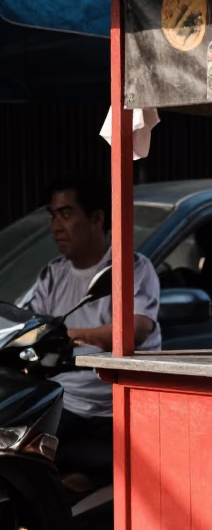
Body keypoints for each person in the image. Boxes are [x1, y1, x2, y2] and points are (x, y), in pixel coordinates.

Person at [28, 176, 162, 486]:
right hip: (65, 403)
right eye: (52, 215)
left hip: (117, 407)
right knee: (21, 454)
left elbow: (136, 328)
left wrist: (67, 335)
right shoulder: (53, 274)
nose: (56, 226)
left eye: (66, 213)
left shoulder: (132, 268)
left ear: (97, 218)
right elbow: (29, 326)